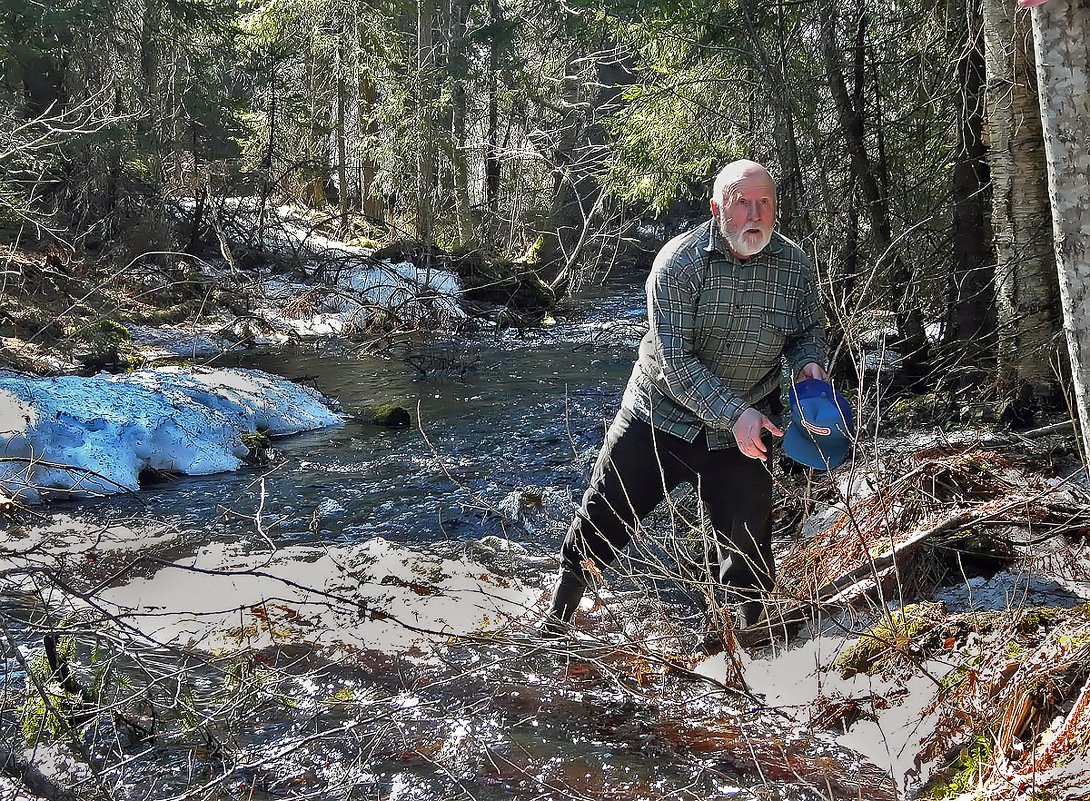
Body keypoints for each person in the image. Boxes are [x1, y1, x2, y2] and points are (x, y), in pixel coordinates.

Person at [541, 159, 828, 642]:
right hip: (658, 418)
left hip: (744, 429)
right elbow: (676, 362)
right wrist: (734, 413)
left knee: (749, 549)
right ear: (717, 208)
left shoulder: (795, 266)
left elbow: (805, 332)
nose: (755, 215)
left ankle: (744, 650)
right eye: (742, 203)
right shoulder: (678, 263)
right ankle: (557, 622)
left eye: (765, 203)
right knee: (604, 518)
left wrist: (808, 363)